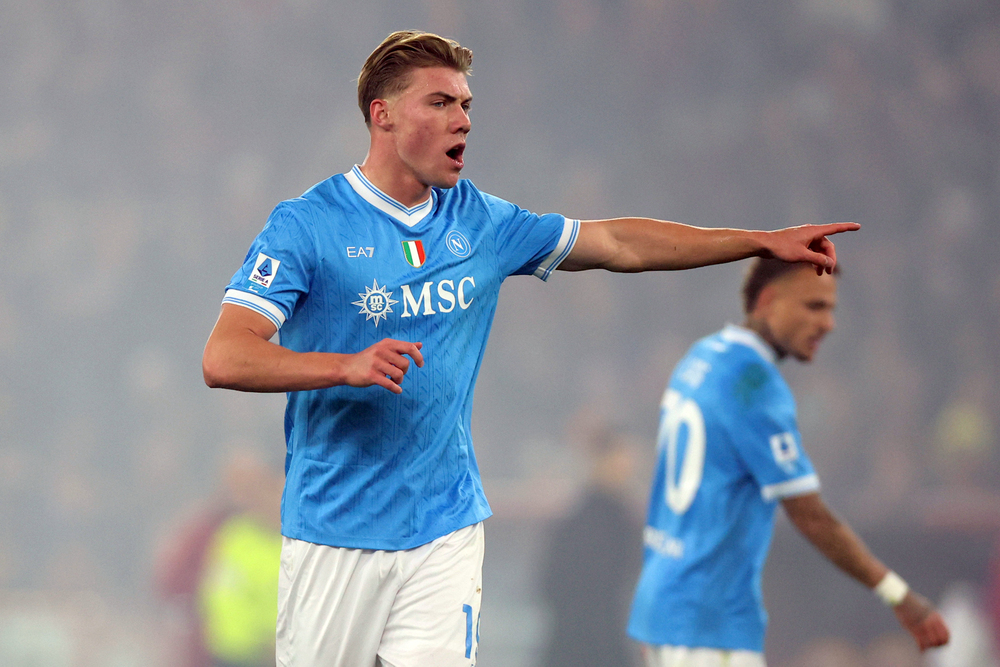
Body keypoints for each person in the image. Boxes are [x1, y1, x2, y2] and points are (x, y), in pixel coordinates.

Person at [201, 30, 858, 667]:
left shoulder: (480, 221)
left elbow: (618, 244)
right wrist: (344, 366)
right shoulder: (308, 226)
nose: (462, 120)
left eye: (466, 105)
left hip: (444, 526)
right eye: (440, 103)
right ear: (384, 116)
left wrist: (757, 241)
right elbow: (225, 356)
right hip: (334, 532)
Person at [627, 258, 951, 667]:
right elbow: (811, 517)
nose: (827, 324)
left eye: (830, 309)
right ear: (767, 301)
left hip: (666, 608)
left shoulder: (701, 357)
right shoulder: (757, 385)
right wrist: (900, 597)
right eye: (813, 307)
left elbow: (667, 499)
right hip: (709, 621)